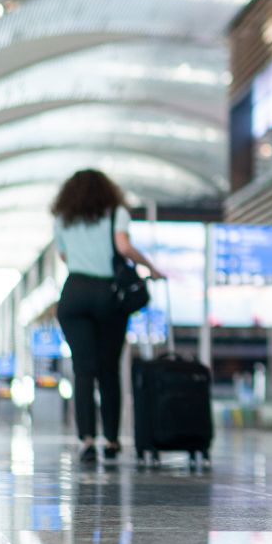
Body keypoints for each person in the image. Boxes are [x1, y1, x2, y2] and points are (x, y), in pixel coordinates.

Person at [50, 169, 163, 463]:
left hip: (74, 292)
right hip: (107, 294)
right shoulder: (116, 212)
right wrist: (150, 267)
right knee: (108, 369)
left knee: (83, 370)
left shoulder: (63, 217)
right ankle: (111, 440)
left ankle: (86, 440)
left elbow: (63, 256)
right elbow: (123, 246)